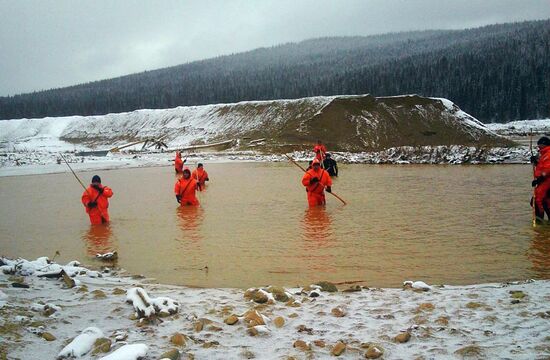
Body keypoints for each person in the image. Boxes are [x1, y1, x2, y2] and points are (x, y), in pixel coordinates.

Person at [531, 136, 550, 220]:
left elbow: (548, 168)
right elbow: (542, 166)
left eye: (539, 146)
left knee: (537, 200)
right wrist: (535, 162)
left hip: (546, 180)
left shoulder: (548, 154)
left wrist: (540, 178)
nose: (538, 147)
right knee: (546, 201)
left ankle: (539, 220)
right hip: (543, 181)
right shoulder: (544, 154)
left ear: (544, 145)